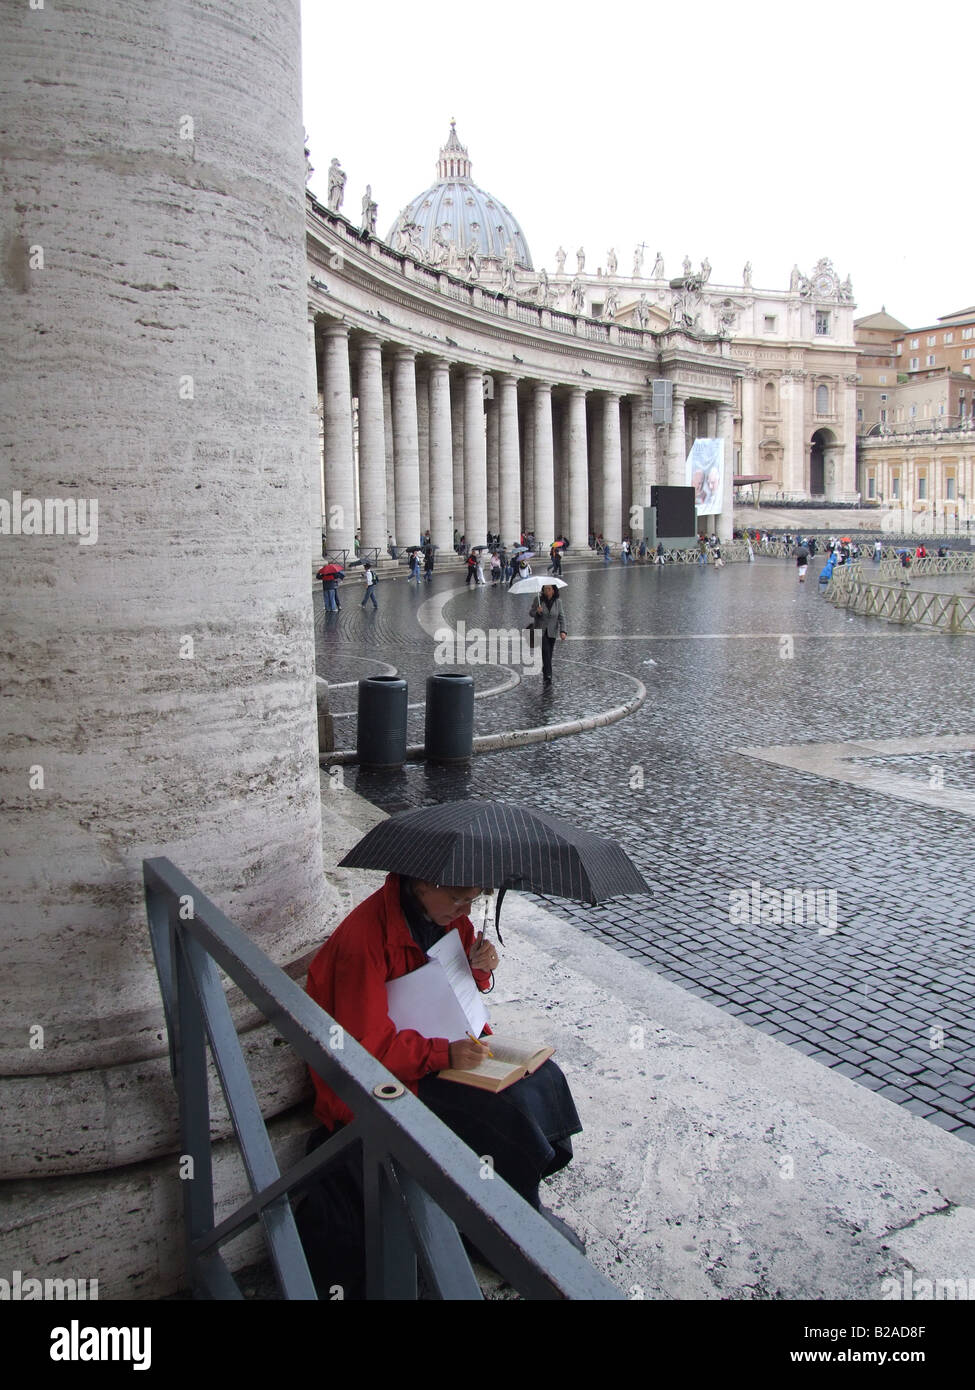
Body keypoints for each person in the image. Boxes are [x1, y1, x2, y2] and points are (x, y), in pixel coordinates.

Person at [299, 874, 582, 1291]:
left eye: (473, 900)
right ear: (421, 884)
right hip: (383, 1082)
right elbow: (362, 1053)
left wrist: (479, 968)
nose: (465, 911)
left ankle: (514, 1203)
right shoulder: (363, 943)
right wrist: (443, 1055)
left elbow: (456, 989)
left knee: (543, 1079)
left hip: (430, 1050)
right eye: (457, 899)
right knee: (502, 1112)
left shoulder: (446, 918)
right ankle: (496, 1228)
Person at [529, 583, 567, 685]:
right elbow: (531, 613)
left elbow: (561, 617)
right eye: (545, 589)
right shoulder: (538, 600)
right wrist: (537, 611)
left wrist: (563, 631)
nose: (547, 591)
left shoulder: (558, 602)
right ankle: (548, 674)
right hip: (540, 631)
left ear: (553, 590)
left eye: (549, 589)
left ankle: (545, 668)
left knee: (549, 652)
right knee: (545, 651)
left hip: (552, 631)